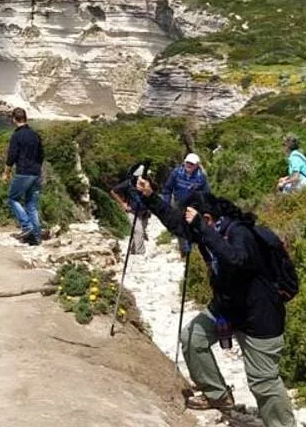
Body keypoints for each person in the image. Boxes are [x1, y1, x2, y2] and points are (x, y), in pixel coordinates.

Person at [135, 176, 295, 425]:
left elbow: (236, 259)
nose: (192, 229)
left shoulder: (241, 234)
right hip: (228, 307)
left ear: (208, 218)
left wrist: (203, 229)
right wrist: (150, 196)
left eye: (197, 222)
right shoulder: (207, 229)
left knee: (263, 381)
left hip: (260, 317)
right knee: (192, 338)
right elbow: (177, 224)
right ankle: (218, 396)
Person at [1, 107, 44, 245]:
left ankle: (27, 227)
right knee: (32, 205)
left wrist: (6, 173)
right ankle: (36, 236)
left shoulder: (17, 135)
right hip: (36, 173)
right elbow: (41, 155)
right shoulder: (35, 135)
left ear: (14, 119)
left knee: (13, 199)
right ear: (26, 118)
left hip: (24, 173)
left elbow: (11, 157)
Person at [161, 153, 211, 252]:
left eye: (191, 164)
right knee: (180, 227)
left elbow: (206, 194)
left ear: (197, 165)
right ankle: (185, 251)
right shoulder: (176, 173)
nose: (189, 165)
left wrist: (206, 210)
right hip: (178, 204)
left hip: (194, 207)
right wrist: (166, 205)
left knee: (193, 228)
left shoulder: (201, 177)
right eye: (187, 162)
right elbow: (167, 189)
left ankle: (195, 251)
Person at [111, 172, 150, 255]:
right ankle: (140, 253)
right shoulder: (128, 183)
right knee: (139, 231)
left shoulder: (148, 182)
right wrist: (123, 204)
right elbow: (113, 191)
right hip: (132, 211)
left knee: (139, 232)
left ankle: (133, 251)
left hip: (144, 212)